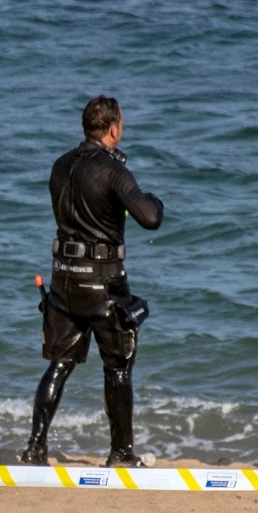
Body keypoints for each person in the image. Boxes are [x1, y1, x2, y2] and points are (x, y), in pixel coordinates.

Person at [19, 95, 164, 467]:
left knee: (60, 363)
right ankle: (121, 453)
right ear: (113, 129)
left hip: (64, 280)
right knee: (117, 366)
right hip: (104, 285)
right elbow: (150, 218)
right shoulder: (114, 171)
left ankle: (35, 447)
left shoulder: (60, 165)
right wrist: (152, 199)